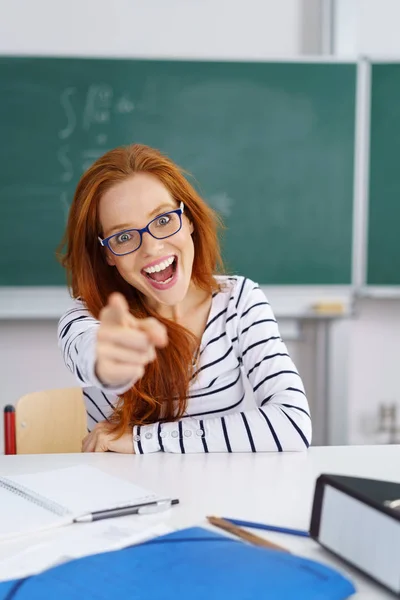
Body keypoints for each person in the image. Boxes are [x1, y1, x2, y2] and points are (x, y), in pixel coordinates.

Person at [58, 144, 312, 454]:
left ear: (188, 219)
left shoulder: (238, 301)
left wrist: (143, 440)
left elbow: (292, 423)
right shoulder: (87, 318)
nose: (151, 248)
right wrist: (111, 366)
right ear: (107, 254)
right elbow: (91, 353)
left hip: (216, 498)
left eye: (163, 220)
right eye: (124, 236)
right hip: (121, 496)